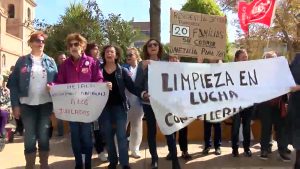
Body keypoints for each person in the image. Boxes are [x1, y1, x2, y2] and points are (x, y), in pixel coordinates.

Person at [55, 33, 109, 169]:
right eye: (71, 45)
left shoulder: (92, 62)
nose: (73, 47)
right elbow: (59, 82)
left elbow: (98, 79)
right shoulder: (65, 64)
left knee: (86, 135)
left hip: (87, 107)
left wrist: (104, 85)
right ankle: (79, 163)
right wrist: (52, 86)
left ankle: (88, 164)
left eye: (76, 44)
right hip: (71, 107)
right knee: (75, 136)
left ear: (83, 46)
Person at [7, 31, 58, 169]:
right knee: (29, 136)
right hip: (27, 105)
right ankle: (30, 165)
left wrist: (53, 87)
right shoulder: (22, 61)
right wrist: (15, 105)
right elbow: (13, 84)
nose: (40, 43)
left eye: (42, 41)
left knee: (43, 135)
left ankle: (44, 164)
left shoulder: (51, 61)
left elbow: (59, 83)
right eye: (37, 40)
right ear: (30, 43)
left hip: (46, 104)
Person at [135, 39, 181, 169]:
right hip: (148, 103)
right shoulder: (142, 65)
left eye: (155, 45)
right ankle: (154, 159)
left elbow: (177, 79)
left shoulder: (167, 64)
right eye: (150, 45)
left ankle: (175, 161)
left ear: (159, 48)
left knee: (169, 130)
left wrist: (176, 65)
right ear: (147, 49)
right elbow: (137, 85)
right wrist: (143, 94)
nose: (153, 47)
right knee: (151, 131)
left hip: (165, 103)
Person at [99, 45, 137, 169]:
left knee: (121, 136)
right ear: (104, 55)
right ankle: (113, 162)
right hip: (104, 109)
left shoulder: (122, 71)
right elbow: (91, 84)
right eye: (107, 52)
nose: (109, 53)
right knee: (108, 136)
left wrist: (143, 93)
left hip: (120, 108)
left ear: (116, 55)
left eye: (112, 52)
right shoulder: (98, 70)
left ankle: (124, 163)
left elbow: (132, 87)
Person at [257, 51, 291, 161]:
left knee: (281, 128)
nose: (273, 60)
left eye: (274, 58)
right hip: (265, 104)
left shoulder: (281, 71)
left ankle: (282, 151)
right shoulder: (260, 72)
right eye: (270, 58)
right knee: (266, 128)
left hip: (278, 105)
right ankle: (264, 149)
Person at [165, 55, 191, 160]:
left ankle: (184, 151)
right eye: (171, 58)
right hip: (170, 106)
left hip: (183, 106)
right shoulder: (164, 71)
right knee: (171, 130)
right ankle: (172, 151)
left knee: (183, 130)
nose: (173, 60)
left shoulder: (185, 70)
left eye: (175, 58)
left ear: (179, 59)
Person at [85, 43, 108, 162]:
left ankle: (100, 150)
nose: (97, 51)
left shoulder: (101, 64)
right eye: (95, 49)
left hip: (99, 101)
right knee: (86, 129)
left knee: (98, 128)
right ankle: (85, 152)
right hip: (84, 102)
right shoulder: (83, 63)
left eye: (98, 48)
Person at [231, 49, 252, 157]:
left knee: (246, 127)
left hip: (248, 103)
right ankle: (235, 149)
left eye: (246, 57)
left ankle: (247, 148)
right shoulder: (230, 70)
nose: (245, 59)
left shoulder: (251, 69)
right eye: (243, 57)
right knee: (235, 127)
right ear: (236, 59)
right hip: (235, 104)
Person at [123, 47, 144, 159]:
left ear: (136, 55)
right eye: (127, 55)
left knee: (136, 127)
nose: (128, 57)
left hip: (138, 103)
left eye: (130, 54)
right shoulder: (123, 68)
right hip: (125, 103)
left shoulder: (143, 68)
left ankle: (135, 149)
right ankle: (118, 150)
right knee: (121, 127)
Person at [288, 53, 300, 169]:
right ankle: (297, 163)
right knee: (297, 136)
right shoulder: (297, 58)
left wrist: (299, 87)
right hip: (295, 105)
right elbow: (287, 74)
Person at [55, 52, 66, 137]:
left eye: (64, 58)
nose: (63, 60)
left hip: (69, 95)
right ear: (58, 60)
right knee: (59, 114)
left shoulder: (70, 67)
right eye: (61, 58)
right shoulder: (55, 70)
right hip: (58, 95)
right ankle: (60, 132)